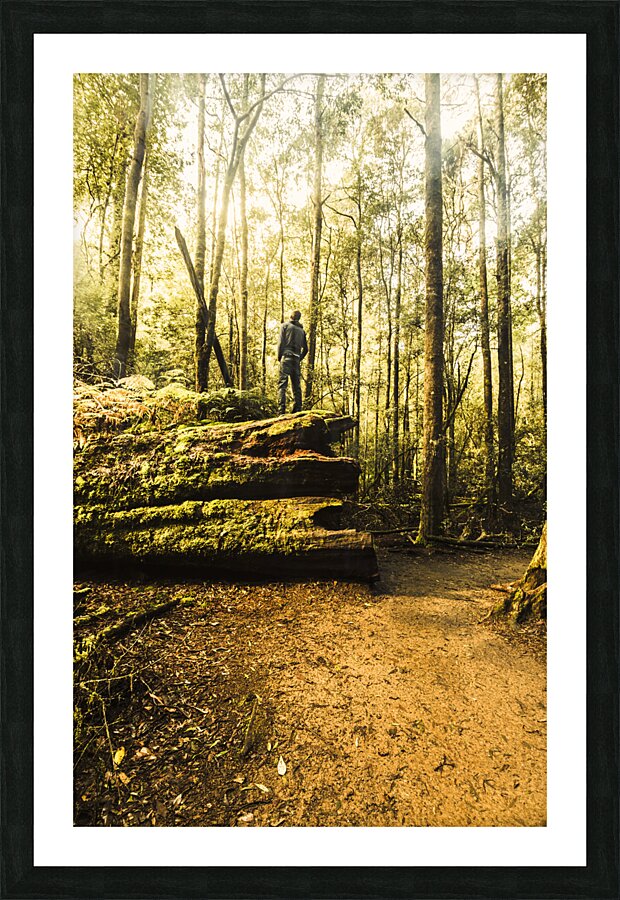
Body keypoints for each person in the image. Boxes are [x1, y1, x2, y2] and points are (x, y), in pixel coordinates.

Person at [277, 310, 308, 414]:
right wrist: (299, 358)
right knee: (296, 386)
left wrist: (279, 357)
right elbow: (306, 349)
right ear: (298, 318)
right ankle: (298, 410)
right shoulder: (302, 331)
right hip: (296, 360)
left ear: (290, 316)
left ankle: (281, 412)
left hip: (286, 357)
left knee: (282, 384)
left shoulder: (284, 326)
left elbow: (281, 343)